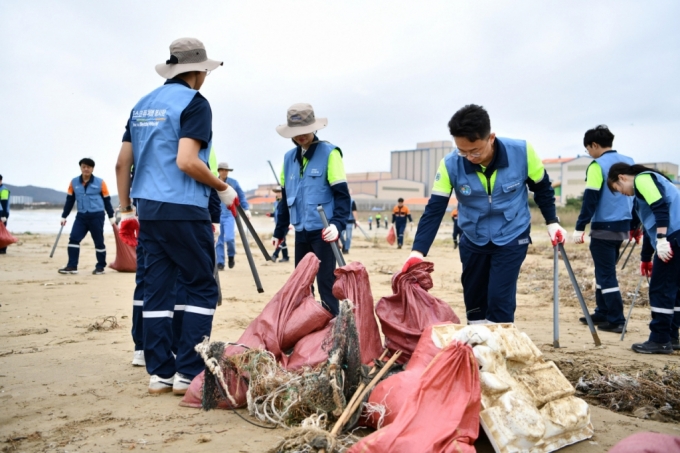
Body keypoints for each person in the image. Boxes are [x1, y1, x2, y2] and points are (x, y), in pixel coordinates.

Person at [115, 37, 237, 394]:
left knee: (157, 290)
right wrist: (221, 187)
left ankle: (160, 374)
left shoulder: (143, 105)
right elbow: (187, 160)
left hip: (148, 211)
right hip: (185, 208)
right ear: (198, 71)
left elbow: (123, 163)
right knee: (201, 285)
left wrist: (126, 211)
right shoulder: (196, 103)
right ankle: (187, 372)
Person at [402, 104, 567, 324]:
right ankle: (477, 347)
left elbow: (543, 188)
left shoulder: (522, 152)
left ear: (491, 137)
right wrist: (418, 251)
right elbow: (434, 209)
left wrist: (552, 222)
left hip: (512, 233)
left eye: (475, 150)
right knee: (475, 299)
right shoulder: (450, 164)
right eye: (463, 151)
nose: (469, 157)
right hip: (472, 236)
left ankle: (498, 346)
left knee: (500, 297)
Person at [272, 103, 351, 316]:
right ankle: (306, 329)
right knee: (302, 284)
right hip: (301, 231)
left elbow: (342, 196)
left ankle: (332, 330)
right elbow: (285, 200)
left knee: (326, 281)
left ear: (314, 128)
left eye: (304, 131)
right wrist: (279, 232)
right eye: (295, 133)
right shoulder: (289, 158)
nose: (300, 136)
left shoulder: (330, 153)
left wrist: (338, 224)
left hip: (324, 232)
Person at [607, 162, 680, 354]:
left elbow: (661, 209)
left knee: (661, 289)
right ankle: (672, 336)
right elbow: (650, 226)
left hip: (674, 237)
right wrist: (646, 257)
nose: (622, 193)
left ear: (622, 177)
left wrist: (663, 240)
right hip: (674, 237)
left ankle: (659, 340)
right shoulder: (648, 187)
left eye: (618, 188)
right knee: (674, 289)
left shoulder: (642, 179)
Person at [572, 126, 638, 334]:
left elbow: (590, 199)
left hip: (604, 226)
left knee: (606, 273)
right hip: (623, 226)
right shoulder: (629, 161)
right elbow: (636, 197)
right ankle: (602, 311)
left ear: (594, 145)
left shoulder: (597, 166)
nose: (589, 153)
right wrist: (636, 225)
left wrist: (579, 226)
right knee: (604, 269)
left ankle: (616, 319)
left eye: (587, 149)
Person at [58, 158, 115, 274]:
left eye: (89, 167)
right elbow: (70, 200)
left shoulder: (100, 182)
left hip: (97, 216)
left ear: (92, 168)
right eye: (84, 166)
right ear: (80, 168)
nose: (86, 169)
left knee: (98, 241)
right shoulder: (74, 182)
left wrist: (111, 216)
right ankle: (72, 266)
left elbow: (107, 200)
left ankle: (100, 266)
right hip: (81, 216)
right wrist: (64, 216)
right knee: (73, 238)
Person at [215, 162, 250, 270]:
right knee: (218, 240)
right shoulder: (213, 181)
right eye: (222, 170)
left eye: (226, 170)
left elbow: (241, 196)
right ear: (219, 171)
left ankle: (231, 256)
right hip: (217, 214)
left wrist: (246, 208)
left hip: (230, 214)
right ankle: (220, 262)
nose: (224, 172)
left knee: (229, 238)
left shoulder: (234, 183)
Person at [271, 187, 290, 263]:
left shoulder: (286, 202)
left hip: (285, 225)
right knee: (283, 241)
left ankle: (275, 255)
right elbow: (277, 213)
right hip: (279, 225)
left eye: (279, 192)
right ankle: (285, 257)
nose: (278, 194)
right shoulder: (277, 203)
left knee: (281, 239)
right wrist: (271, 215)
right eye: (277, 192)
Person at [0, 175, 10, 255]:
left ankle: (3, 249)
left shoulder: (3, 190)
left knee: (2, 231)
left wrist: (4, 215)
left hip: (2, 212)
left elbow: (4, 203)